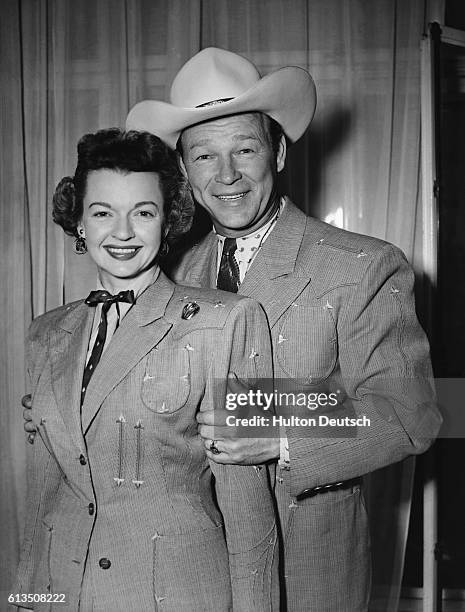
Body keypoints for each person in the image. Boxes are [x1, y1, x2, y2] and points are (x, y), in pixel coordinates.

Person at [124, 47, 443, 611]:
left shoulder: (362, 265)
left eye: (244, 149)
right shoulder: (169, 272)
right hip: (190, 569)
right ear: (183, 169)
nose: (226, 176)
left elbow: (409, 411)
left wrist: (278, 429)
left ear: (278, 151)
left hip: (307, 569)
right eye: (204, 156)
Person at [14, 128, 279, 611]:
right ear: (78, 223)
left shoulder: (227, 322)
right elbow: (43, 496)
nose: (122, 232)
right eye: (101, 213)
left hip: (171, 595)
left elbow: (249, 513)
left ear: (168, 221)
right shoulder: (44, 334)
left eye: (143, 212)